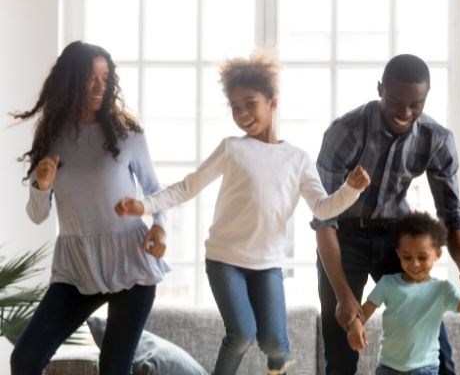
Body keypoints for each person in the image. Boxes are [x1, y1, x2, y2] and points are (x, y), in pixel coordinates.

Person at [114, 52, 371, 375]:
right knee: (242, 334)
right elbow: (187, 187)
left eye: (250, 103)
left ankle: (277, 369)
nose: (242, 113)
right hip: (224, 259)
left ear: (272, 103)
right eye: (235, 107)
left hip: (267, 264)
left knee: (276, 344)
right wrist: (145, 205)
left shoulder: (297, 159)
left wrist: (351, 189)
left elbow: (322, 208)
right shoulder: (232, 149)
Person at [312, 53, 460, 375]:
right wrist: (343, 295)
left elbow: (452, 214)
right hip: (344, 237)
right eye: (395, 102)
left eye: (415, 105)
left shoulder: (437, 139)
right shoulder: (346, 132)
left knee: (436, 348)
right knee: (341, 350)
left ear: (425, 98)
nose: (405, 113)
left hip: (397, 239)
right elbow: (324, 218)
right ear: (380, 89)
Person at [9, 41, 170, 375]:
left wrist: (159, 225)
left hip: (130, 262)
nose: (100, 86)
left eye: (105, 77)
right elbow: (37, 215)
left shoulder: (127, 134)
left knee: (114, 367)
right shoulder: (52, 135)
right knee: (24, 359)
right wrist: (41, 186)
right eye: (90, 78)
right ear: (70, 80)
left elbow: (155, 190)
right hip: (76, 265)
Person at [345, 211, 460, 375]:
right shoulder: (387, 284)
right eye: (407, 257)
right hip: (388, 369)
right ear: (398, 253)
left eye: (422, 257)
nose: (414, 263)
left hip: (426, 370)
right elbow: (362, 314)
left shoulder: (442, 290)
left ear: (437, 254)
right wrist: (355, 326)